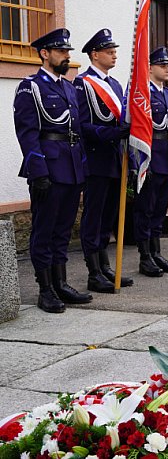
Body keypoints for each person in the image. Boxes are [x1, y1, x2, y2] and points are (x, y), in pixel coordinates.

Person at [13, 28, 93, 313]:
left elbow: (77, 131)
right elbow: (27, 133)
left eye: (68, 51)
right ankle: (45, 289)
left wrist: (82, 167)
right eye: (61, 51)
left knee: (63, 230)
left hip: (71, 167)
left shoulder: (69, 88)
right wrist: (39, 172)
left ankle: (61, 283)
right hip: (49, 167)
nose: (66, 56)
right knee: (44, 230)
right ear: (45, 54)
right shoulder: (31, 87)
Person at [74, 29, 132, 291]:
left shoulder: (115, 85)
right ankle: (93, 272)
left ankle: (105, 266)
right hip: (96, 159)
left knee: (109, 216)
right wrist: (112, 133)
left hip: (115, 159)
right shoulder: (83, 84)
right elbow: (82, 125)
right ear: (95, 55)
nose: (114, 56)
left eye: (115, 52)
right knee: (94, 216)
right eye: (109, 52)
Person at [132, 47, 168, 276]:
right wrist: (141, 163)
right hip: (151, 159)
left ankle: (156, 252)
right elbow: (138, 130)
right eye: (163, 65)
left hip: (167, 158)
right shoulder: (143, 94)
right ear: (150, 67)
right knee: (146, 210)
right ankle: (145, 256)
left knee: (160, 209)